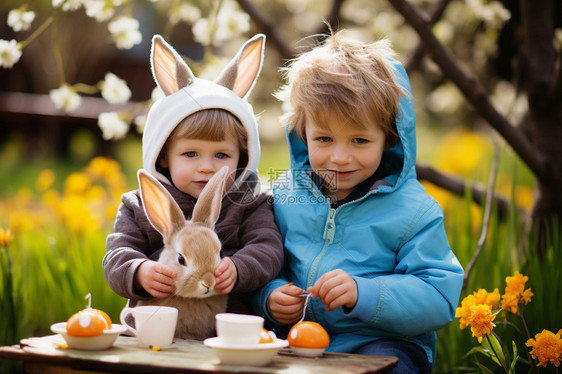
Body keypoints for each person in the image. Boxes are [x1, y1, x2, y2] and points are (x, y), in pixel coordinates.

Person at [252, 30, 464, 373]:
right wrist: (270, 295)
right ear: (301, 133)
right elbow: (264, 261)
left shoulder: (414, 211)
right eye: (323, 138)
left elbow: (438, 297)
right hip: (298, 338)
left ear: (389, 138)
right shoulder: (285, 194)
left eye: (360, 140)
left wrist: (364, 293)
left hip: (382, 341)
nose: (339, 157)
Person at [104, 34, 284, 316]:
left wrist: (238, 268)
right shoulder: (139, 206)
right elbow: (117, 254)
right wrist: (140, 271)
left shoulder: (249, 203)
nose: (207, 167)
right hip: (160, 326)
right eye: (191, 154)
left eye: (221, 156)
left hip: (226, 329)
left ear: (242, 158)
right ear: (163, 155)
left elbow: (268, 248)